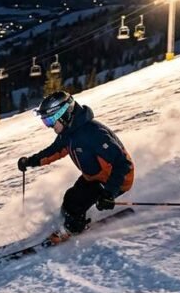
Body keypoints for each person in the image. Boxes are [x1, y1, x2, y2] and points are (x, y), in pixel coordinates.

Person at [17, 91, 135, 235]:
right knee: (70, 199)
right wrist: (30, 161)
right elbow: (54, 151)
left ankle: (73, 228)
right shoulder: (68, 134)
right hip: (94, 177)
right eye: (45, 122)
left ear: (64, 114)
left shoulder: (93, 133)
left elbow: (122, 163)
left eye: (49, 121)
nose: (49, 126)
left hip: (115, 179)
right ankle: (65, 224)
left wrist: (109, 193)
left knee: (76, 203)